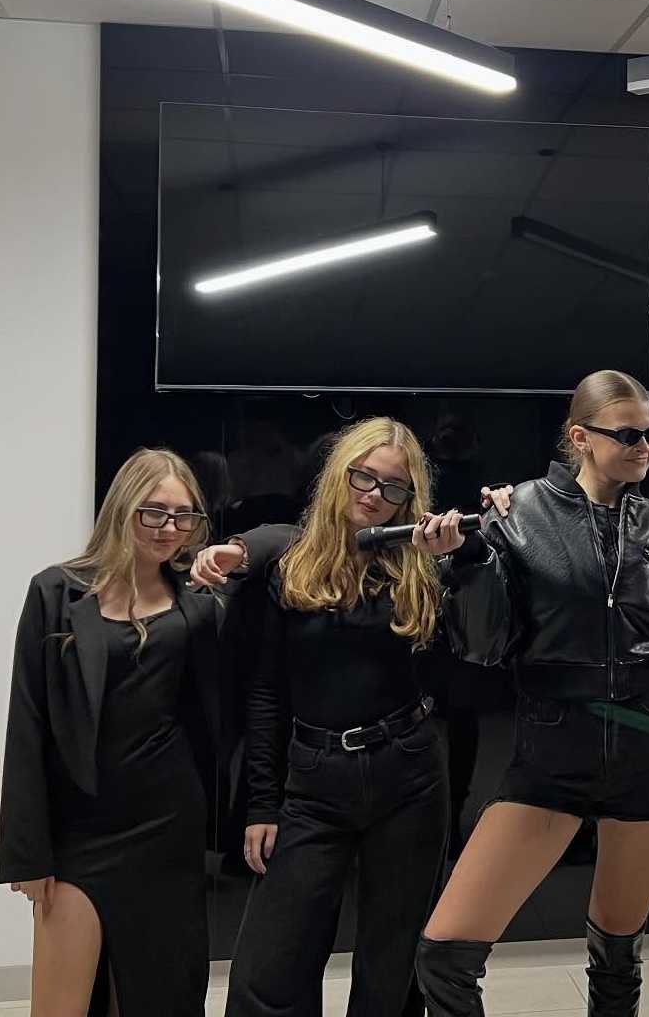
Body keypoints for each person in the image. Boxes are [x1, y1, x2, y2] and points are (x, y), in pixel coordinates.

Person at [415, 369, 649, 1017]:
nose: (645, 446)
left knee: (617, 959)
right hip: (551, 756)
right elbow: (483, 644)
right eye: (629, 434)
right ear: (580, 437)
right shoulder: (518, 512)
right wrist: (465, 561)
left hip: (648, 753)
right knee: (444, 954)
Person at [189, 417, 470, 1017]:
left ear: (409, 497)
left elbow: (467, 667)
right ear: (339, 474)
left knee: (392, 965)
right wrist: (260, 805)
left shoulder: (422, 568)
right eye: (363, 476)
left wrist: (460, 563)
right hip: (314, 780)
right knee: (268, 972)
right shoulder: (291, 561)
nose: (374, 494)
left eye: (393, 486)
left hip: (410, 774)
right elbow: (266, 692)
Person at [0, 448, 220, 1017]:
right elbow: (28, 723)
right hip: (81, 830)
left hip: (168, 828)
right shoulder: (56, 593)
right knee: (60, 1006)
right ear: (123, 508)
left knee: (159, 998)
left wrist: (239, 551)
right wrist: (27, 854)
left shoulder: (199, 605)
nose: (170, 528)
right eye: (155, 511)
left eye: (184, 515)